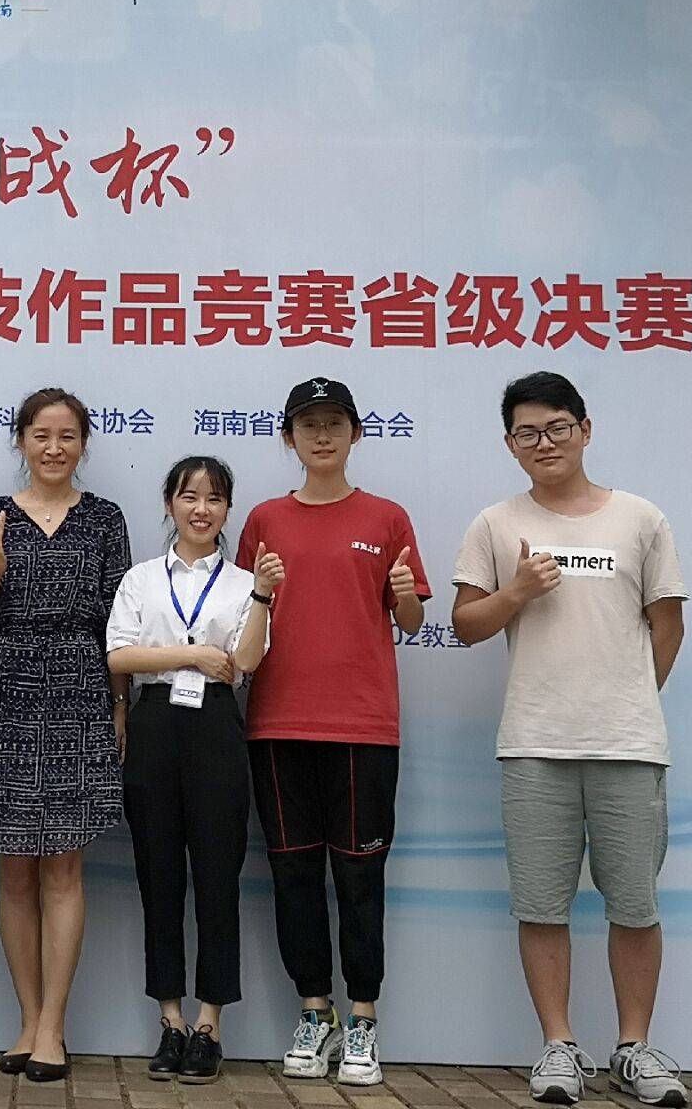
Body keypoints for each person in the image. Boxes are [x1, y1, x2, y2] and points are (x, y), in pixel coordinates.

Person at [450, 373, 689, 1109]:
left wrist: (626, 699)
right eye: (528, 433)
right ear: (509, 444)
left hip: (628, 743)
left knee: (635, 904)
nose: (544, 443)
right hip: (534, 743)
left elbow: (668, 624)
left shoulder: (641, 518)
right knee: (541, 904)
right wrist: (517, 592)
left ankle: (633, 1048)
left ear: (585, 429)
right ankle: (558, 1045)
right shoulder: (496, 523)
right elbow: (465, 624)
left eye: (557, 427)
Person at [235, 377, 429, 1088]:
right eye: (309, 425)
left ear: (356, 434)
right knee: (292, 875)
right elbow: (242, 619)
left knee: (359, 877)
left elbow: (411, 621)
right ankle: (315, 1012)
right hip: (277, 722)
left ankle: (364, 1018)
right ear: (289, 437)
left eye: (335, 424)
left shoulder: (387, 518)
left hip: (363, 726)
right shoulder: (264, 519)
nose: (323, 436)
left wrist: (404, 598)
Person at [0, 387, 131, 1083]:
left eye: (67, 436)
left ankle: (55, 1024)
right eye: (40, 435)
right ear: (21, 440)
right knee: (14, 869)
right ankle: (26, 1020)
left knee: (63, 866)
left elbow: (118, 624)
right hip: (6, 687)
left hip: (81, 687)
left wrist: (119, 705)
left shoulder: (105, 519)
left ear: (83, 444)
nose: (54, 448)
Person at [106, 455, 279, 1085]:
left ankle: (209, 1026)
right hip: (153, 723)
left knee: (217, 878)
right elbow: (119, 656)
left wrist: (263, 596)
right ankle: (170, 1021)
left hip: (216, 725)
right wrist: (196, 653)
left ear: (227, 510)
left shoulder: (243, 582)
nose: (201, 509)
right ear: (170, 504)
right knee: (158, 878)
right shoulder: (141, 578)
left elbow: (249, 660)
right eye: (189, 496)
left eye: (214, 499)